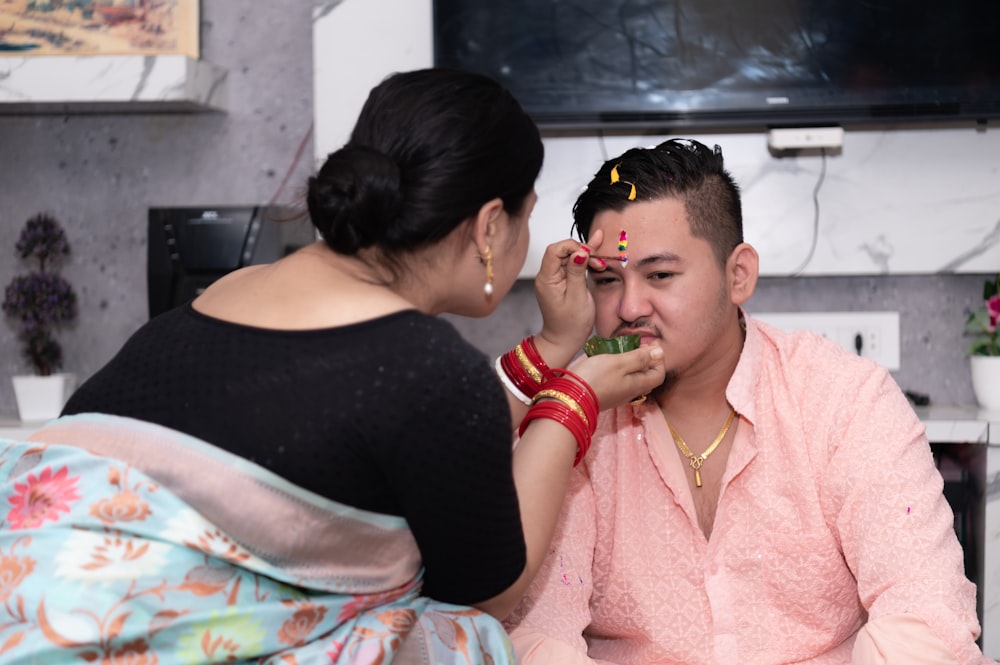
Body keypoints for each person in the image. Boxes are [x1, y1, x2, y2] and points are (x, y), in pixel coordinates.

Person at [0, 68, 665, 664]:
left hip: (30, 613)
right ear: (490, 226)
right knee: (457, 638)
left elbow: (399, 434)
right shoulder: (424, 367)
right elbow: (488, 584)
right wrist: (575, 395)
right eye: (525, 217)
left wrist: (552, 345)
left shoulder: (233, 292)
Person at [503, 138, 994, 664]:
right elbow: (537, 636)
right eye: (606, 279)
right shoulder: (576, 422)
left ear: (738, 275)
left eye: (660, 275)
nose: (628, 306)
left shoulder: (844, 401)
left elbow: (925, 618)